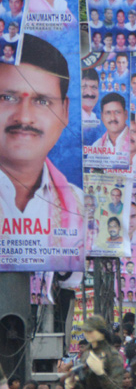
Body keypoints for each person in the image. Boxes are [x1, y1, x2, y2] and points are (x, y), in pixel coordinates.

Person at [0, 35, 83, 260]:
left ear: (65, 111)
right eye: (8, 97)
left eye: (42, 101)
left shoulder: (80, 207)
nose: (24, 117)